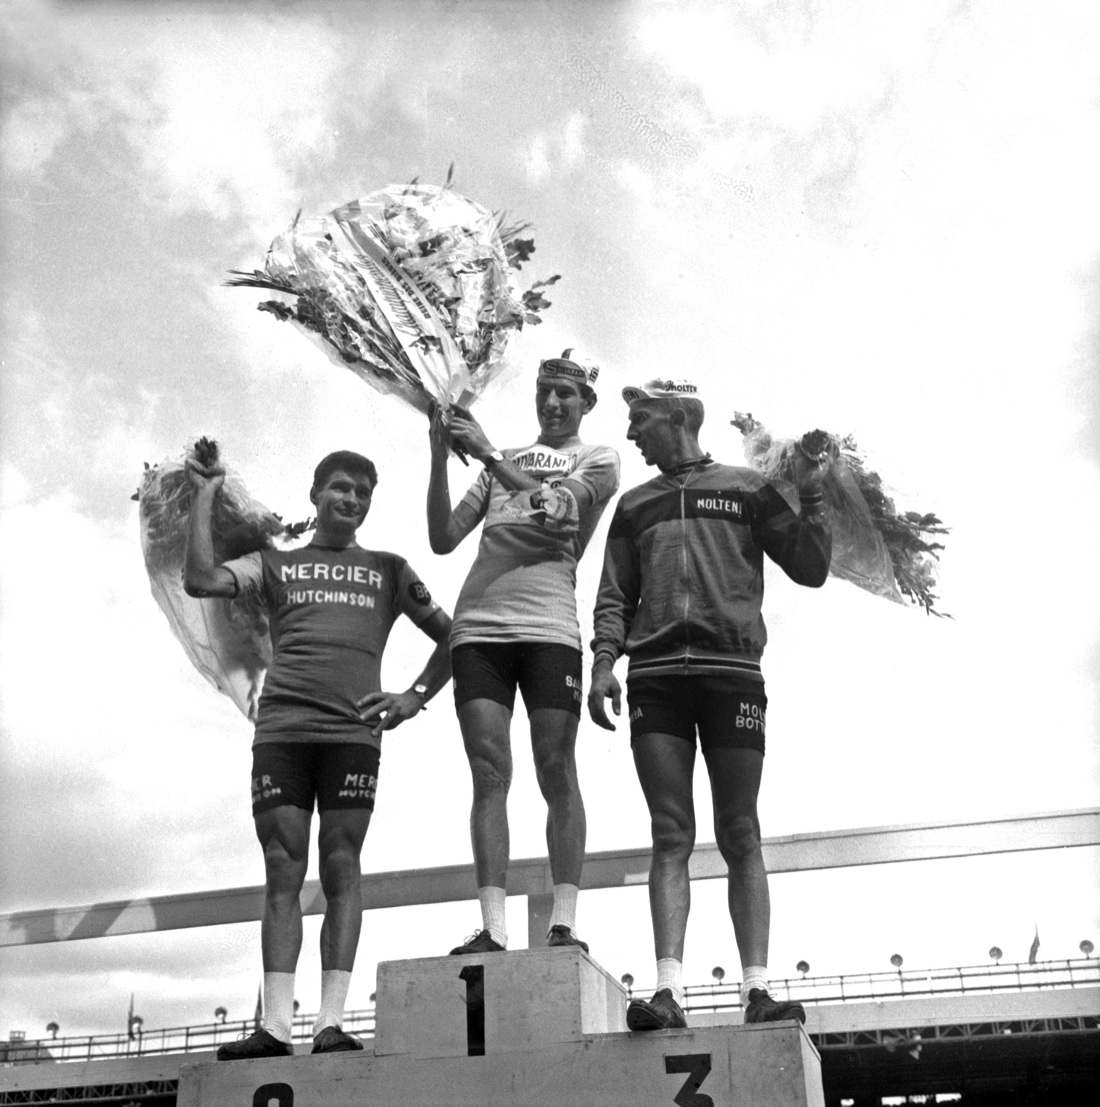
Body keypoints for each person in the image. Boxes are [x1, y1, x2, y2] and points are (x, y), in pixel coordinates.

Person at [184, 450, 452, 1059]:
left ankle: (330, 1023)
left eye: (362, 493)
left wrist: (414, 696)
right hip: (281, 732)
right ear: (314, 492)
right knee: (283, 866)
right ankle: (275, 1027)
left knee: (341, 866)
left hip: (352, 737)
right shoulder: (274, 562)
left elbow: (455, 636)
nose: (350, 500)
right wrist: (205, 493)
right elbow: (201, 580)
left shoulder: (390, 568)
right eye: (340, 488)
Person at [587, 378, 831, 1030]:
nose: (633, 433)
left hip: (731, 674)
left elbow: (809, 566)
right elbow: (614, 594)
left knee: (740, 829)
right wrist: (603, 662)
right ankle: (669, 991)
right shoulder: (634, 505)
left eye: (640, 420)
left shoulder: (747, 490)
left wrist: (811, 490)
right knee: (670, 832)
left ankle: (756, 991)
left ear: (674, 416)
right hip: (657, 678)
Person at [427, 350, 620, 956]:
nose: (554, 404)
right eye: (546, 393)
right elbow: (442, 539)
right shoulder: (500, 459)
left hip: (550, 627)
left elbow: (560, 516)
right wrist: (439, 451)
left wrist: (485, 452)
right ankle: (493, 928)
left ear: (586, 402)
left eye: (567, 394)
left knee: (555, 769)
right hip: (479, 625)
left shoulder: (599, 459)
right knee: (488, 775)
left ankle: (562, 924)